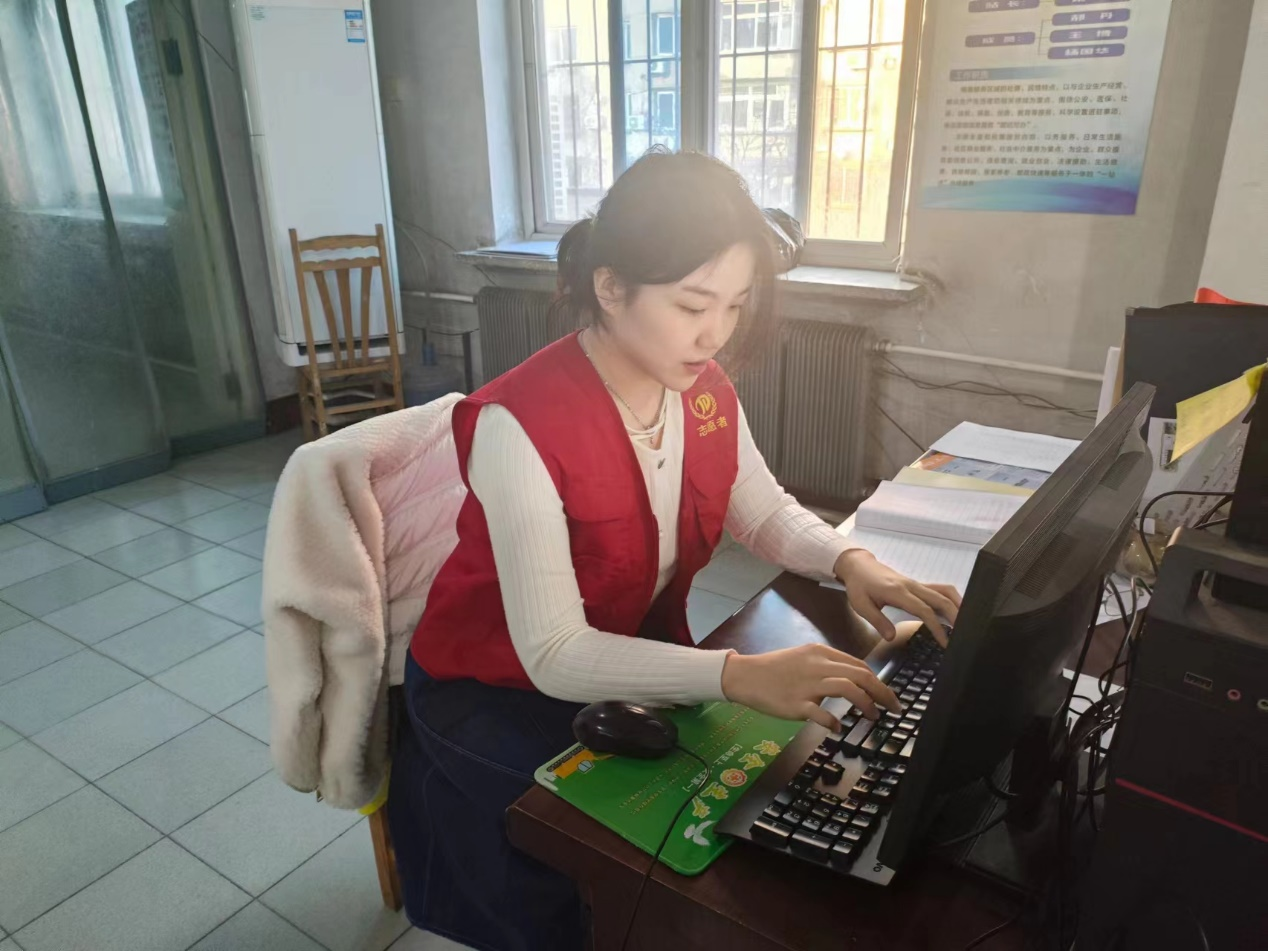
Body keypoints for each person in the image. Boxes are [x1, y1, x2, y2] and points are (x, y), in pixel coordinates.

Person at [387, 149, 961, 951]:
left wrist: (850, 561)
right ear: (610, 286)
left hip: (622, 658)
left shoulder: (700, 388)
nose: (714, 333)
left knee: (750, 816)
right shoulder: (517, 424)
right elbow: (553, 651)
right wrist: (737, 674)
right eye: (693, 304)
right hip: (492, 689)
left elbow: (761, 507)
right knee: (606, 861)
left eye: (735, 305)